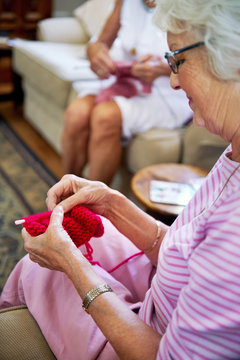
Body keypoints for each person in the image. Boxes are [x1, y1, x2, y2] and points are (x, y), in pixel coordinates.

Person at [1, 0, 240, 358]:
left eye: (177, 60)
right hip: (163, 300)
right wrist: (111, 201)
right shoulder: (234, 149)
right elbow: (183, 248)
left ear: (228, 56)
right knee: (90, 222)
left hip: (151, 341)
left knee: (44, 270)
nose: (174, 79)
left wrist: (71, 263)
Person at [62, 0, 191, 185]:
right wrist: (96, 52)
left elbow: (200, 62)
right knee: (77, 112)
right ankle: (66, 193)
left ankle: (92, 206)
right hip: (125, 83)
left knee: (105, 116)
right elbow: (100, 42)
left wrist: (164, 68)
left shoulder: (190, 6)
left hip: (168, 91)